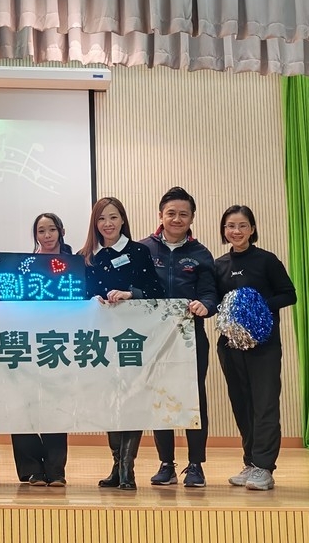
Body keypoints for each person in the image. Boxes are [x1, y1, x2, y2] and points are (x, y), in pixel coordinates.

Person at [78, 196, 165, 491]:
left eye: (113, 217)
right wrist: (92, 300)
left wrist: (131, 294)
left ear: (123, 220)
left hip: (132, 339)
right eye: (102, 218)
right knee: (110, 401)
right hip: (99, 341)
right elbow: (79, 295)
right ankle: (116, 465)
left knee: (131, 399)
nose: (108, 224)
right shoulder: (86, 256)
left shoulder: (138, 251)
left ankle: (128, 468)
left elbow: (157, 291)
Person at [215, 205, 297, 492]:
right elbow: (215, 302)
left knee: (265, 404)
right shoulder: (219, 265)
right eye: (230, 226)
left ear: (252, 229)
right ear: (224, 230)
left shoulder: (267, 260)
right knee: (242, 404)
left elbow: (289, 294)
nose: (236, 231)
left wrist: (256, 308)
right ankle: (250, 461)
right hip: (230, 346)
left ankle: (264, 467)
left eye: (242, 225)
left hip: (264, 346)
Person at [140, 187, 218, 488]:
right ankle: (166, 464)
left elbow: (210, 293)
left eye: (183, 214)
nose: (176, 219)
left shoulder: (201, 254)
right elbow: (136, 289)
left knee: (194, 399)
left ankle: (196, 465)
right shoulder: (143, 249)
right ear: (160, 215)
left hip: (190, 338)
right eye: (171, 213)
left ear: (192, 218)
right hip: (154, 339)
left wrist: (206, 306)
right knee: (161, 398)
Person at [11, 213, 72, 486]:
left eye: (51, 230)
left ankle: (56, 470)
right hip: (26, 343)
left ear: (61, 231)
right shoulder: (25, 265)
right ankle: (32, 468)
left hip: (60, 344)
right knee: (22, 406)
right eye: (41, 231)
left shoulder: (75, 262)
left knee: (56, 407)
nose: (46, 236)